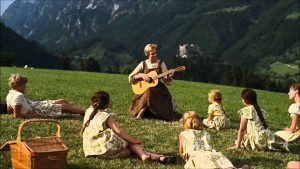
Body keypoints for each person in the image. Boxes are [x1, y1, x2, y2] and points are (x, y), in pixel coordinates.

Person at [81, 91, 176, 163]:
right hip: (104, 148)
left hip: (91, 150)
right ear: (107, 103)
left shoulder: (88, 111)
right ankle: (146, 155)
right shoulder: (106, 115)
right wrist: (133, 140)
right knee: (129, 142)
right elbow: (118, 131)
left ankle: (156, 157)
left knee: (129, 151)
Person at [128, 44, 180, 121]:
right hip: (144, 90)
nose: (155, 55)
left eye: (155, 53)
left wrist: (168, 76)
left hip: (158, 90)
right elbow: (131, 77)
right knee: (148, 90)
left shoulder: (161, 64)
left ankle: (141, 113)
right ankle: (144, 110)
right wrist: (142, 75)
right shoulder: (143, 64)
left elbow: (167, 82)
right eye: (153, 54)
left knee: (150, 90)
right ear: (147, 54)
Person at [6, 74, 85, 118]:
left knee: (62, 101)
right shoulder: (18, 96)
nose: (25, 87)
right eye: (24, 85)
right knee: (65, 106)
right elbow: (17, 115)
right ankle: (86, 112)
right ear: (19, 85)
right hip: (35, 110)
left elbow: (9, 110)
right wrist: (33, 115)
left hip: (34, 104)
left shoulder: (10, 94)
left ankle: (80, 111)